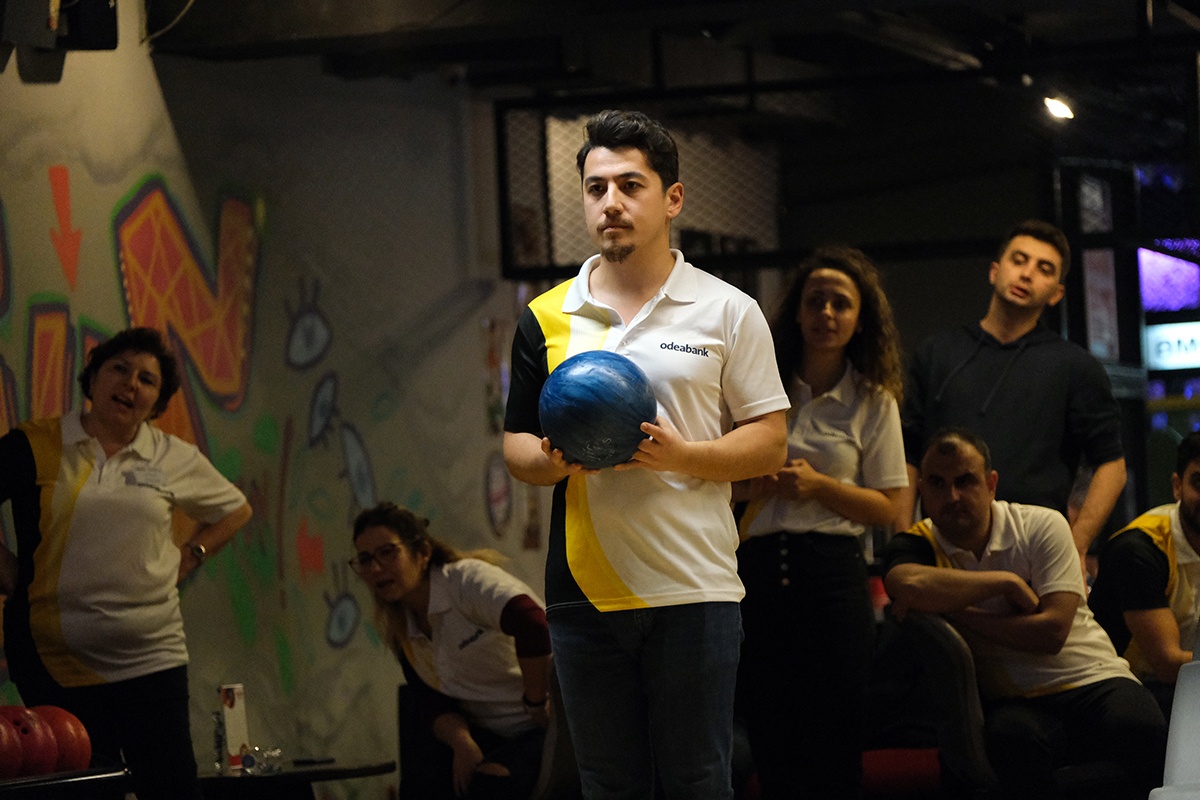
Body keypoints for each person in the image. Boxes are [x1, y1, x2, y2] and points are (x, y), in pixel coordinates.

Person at [502, 109, 789, 800]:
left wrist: (683, 456)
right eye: (596, 188)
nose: (611, 203)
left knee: (698, 781)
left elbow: (770, 440)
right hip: (583, 593)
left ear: (673, 198)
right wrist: (553, 463)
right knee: (607, 785)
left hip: (695, 588)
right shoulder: (545, 315)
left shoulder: (728, 309)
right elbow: (515, 443)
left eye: (631, 185)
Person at [0, 326, 252, 800]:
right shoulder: (36, 443)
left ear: (157, 402)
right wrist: (9, 571)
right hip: (54, 663)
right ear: (93, 376)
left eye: (147, 379)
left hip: (153, 660)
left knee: (172, 791)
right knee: (83, 794)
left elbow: (236, 510)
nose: (130, 384)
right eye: (120, 368)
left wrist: (192, 555)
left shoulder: (172, 456)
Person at [884, 427, 1166, 800]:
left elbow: (1052, 633)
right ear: (921, 489)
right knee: (1012, 743)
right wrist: (1006, 583)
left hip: (1092, 676)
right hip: (1013, 700)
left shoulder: (1041, 525)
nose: (951, 496)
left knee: (1143, 730)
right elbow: (903, 583)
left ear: (991, 484)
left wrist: (955, 612)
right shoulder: (919, 544)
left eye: (965, 481)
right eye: (937, 483)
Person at [734, 245, 908, 798]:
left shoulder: (873, 401)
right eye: (815, 301)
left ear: (860, 319)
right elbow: (714, 482)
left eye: (841, 303)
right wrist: (752, 485)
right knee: (771, 737)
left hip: (833, 577)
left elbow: (888, 507)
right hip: (757, 572)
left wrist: (820, 487)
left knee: (835, 740)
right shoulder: (758, 390)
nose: (826, 314)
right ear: (796, 312)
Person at [895, 220, 1126, 558]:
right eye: (1019, 260)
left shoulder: (1075, 366)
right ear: (994, 271)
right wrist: (903, 539)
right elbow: (906, 453)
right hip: (942, 543)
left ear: (1056, 294)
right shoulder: (937, 353)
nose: (1027, 274)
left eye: (1044, 269)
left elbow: (1112, 466)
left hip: (1035, 547)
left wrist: (1075, 546)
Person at [351, 502, 552, 800]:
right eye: (365, 559)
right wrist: (461, 742)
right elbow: (431, 701)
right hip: (490, 733)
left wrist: (535, 699)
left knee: (490, 786)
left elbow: (533, 623)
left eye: (387, 552)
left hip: (549, 728)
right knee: (421, 785)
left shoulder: (465, 581)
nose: (376, 568)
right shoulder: (401, 626)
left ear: (422, 553)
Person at [1089, 431, 1200, 720]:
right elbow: (1169, 664)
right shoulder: (1139, 550)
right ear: (1177, 486)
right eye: (1199, 483)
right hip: (1125, 692)